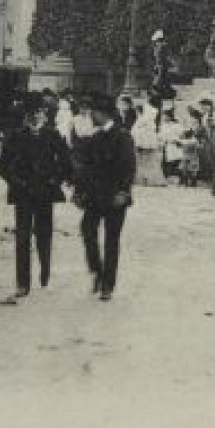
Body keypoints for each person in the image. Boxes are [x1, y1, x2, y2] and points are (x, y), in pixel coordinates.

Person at [0, 101, 74, 298]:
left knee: (44, 235)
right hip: (23, 193)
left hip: (45, 193)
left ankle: (45, 270)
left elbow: (66, 163)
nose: (35, 117)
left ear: (45, 116)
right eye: (31, 114)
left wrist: (55, 180)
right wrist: (16, 182)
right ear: (25, 117)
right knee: (22, 238)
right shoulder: (15, 137)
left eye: (38, 113)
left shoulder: (53, 136)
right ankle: (23, 283)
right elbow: (1, 166)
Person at [71, 94, 136, 302]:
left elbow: (129, 168)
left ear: (102, 114)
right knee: (87, 231)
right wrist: (79, 192)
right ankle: (97, 271)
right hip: (94, 195)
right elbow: (84, 169)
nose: (90, 116)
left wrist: (123, 192)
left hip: (115, 196)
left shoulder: (123, 137)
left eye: (93, 112)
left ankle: (108, 285)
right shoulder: (94, 138)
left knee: (111, 240)